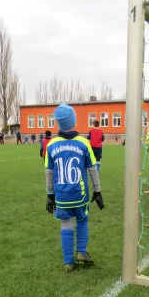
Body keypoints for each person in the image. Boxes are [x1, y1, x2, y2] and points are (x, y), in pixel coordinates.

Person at [45, 103, 104, 272]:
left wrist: (50, 194)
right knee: (82, 219)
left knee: (66, 224)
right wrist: (97, 191)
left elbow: (48, 172)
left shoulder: (52, 145)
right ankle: (81, 252)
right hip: (80, 193)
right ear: (73, 120)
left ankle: (69, 262)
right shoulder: (83, 143)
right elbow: (93, 169)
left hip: (61, 195)